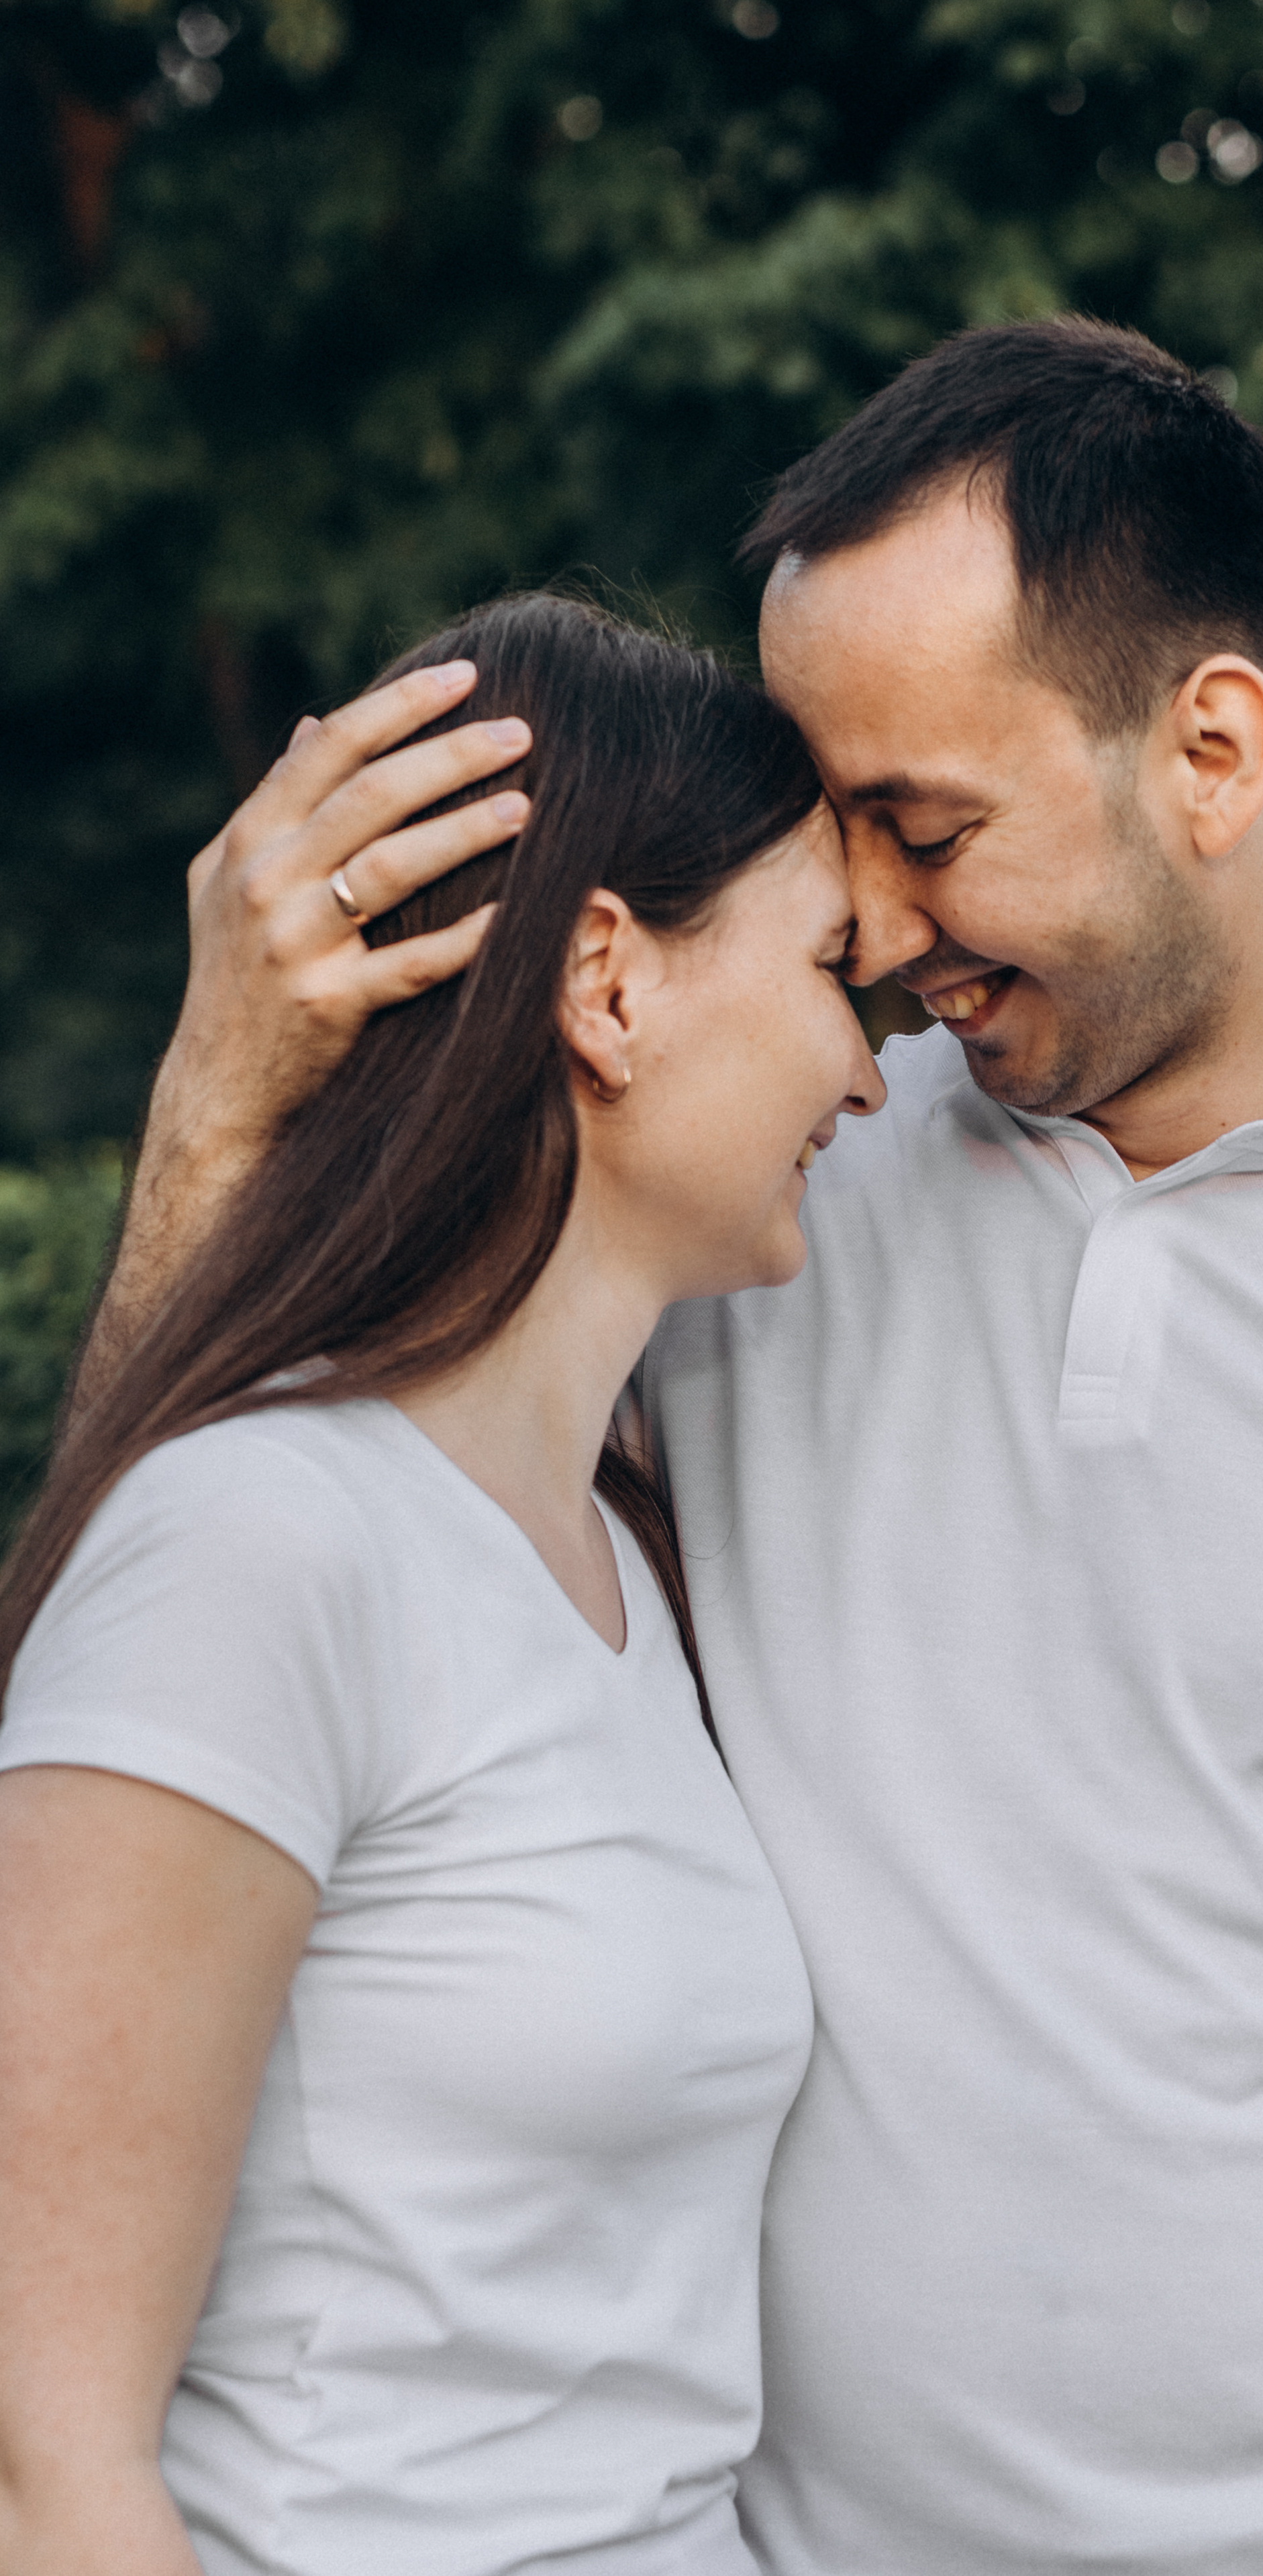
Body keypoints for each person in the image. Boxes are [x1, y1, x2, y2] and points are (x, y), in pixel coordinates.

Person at [51, 321, 1263, 2573]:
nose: (878, 935)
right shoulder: (755, 1207)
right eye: (837, 837)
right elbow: (193, 1609)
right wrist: (216, 1111)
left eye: (925, 828)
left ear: (1212, 752)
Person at [0, 592, 885, 2576]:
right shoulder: (256, 1547)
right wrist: (212, 1107)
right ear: (610, 985)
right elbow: (39, 2468)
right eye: (834, 972)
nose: (870, 1073)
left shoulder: (626, 1563)